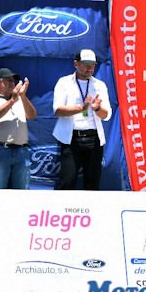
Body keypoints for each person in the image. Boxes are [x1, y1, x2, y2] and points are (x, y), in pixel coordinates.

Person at [52, 49, 112, 190]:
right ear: (76, 64)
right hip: (71, 138)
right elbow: (58, 110)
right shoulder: (64, 82)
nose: (90, 68)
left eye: (92, 65)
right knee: (68, 181)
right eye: (86, 64)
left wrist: (97, 108)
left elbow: (107, 115)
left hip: (94, 138)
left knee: (92, 183)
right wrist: (81, 108)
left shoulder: (99, 85)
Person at [0, 68, 38, 189]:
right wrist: (13, 100)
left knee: (22, 191)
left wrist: (22, 96)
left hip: (21, 151)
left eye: (13, 81)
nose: (12, 83)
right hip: (0, 150)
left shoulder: (20, 100)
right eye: (8, 80)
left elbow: (32, 116)